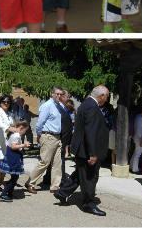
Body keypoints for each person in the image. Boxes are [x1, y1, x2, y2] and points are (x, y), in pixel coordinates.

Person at [54, 86, 110, 216]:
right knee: (90, 177)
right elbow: (90, 132)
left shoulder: (87, 104)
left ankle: (62, 193)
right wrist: (93, 153)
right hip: (87, 151)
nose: (106, 99)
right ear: (101, 96)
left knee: (80, 174)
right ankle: (88, 204)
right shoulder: (91, 106)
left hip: (82, 149)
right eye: (106, 96)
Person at [26, 87, 64, 194]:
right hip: (48, 136)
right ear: (52, 94)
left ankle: (55, 186)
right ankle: (30, 183)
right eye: (57, 94)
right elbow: (39, 123)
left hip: (57, 137)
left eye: (61, 94)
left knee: (57, 163)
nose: (59, 96)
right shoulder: (47, 106)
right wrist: (39, 135)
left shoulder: (60, 106)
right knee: (44, 162)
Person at [0, 121, 30, 202]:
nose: (24, 133)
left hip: (14, 157)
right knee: (14, 178)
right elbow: (13, 147)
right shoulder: (16, 135)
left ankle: (10, 193)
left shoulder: (15, 135)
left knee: (14, 177)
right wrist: (23, 145)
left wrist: (22, 146)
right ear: (21, 128)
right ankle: (4, 194)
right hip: (13, 158)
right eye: (25, 131)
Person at [130, 99, 142, 173]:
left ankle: (131, 165)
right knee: (138, 154)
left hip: (136, 136)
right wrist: (141, 139)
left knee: (135, 152)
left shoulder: (137, 116)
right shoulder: (141, 117)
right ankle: (135, 169)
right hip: (140, 137)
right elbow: (140, 129)